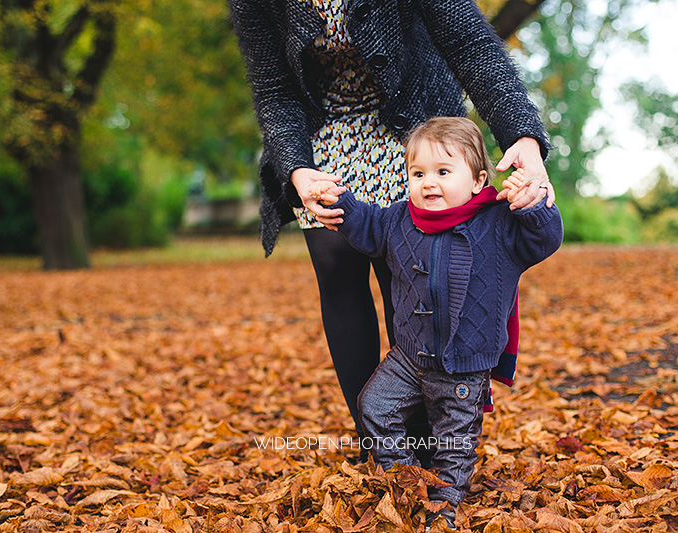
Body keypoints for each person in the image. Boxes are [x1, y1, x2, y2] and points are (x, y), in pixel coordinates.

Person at [227, 0, 556, 457]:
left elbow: (470, 43)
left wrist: (520, 133)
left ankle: (426, 436)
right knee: (335, 256)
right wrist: (295, 168)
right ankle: (376, 439)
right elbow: (275, 88)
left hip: (413, 127)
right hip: (323, 131)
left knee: (411, 265)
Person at [310, 117, 563, 529]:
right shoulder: (397, 220)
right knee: (373, 407)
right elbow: (365, 223)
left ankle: (444, 504)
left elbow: (545, 239)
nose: (429, 182)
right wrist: (338, 199)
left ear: (479, 180)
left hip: (463, 363)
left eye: (443, 172)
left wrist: (532, 206)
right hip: (409, 357)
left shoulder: (499, 225)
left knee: (453, 444)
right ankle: (409, 479)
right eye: (418, 173)